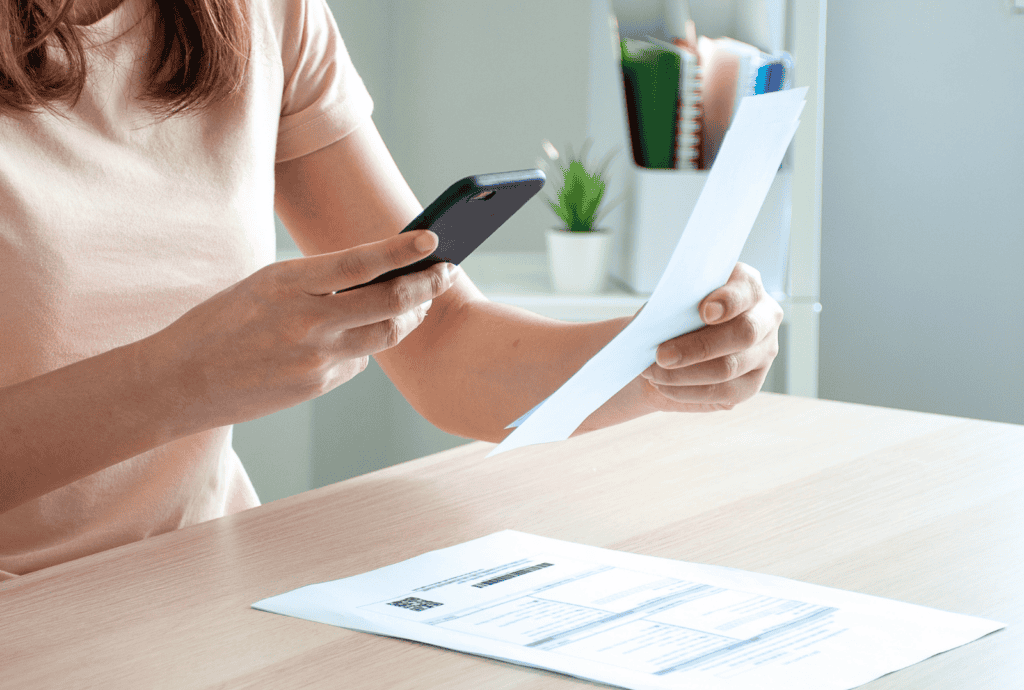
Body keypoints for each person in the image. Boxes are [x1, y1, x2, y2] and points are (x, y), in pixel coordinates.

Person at [0, 0, 783, 578]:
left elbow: (441, 343)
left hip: (194, 580)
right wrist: (181, 378)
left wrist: (658, 355)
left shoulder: (262, 14)